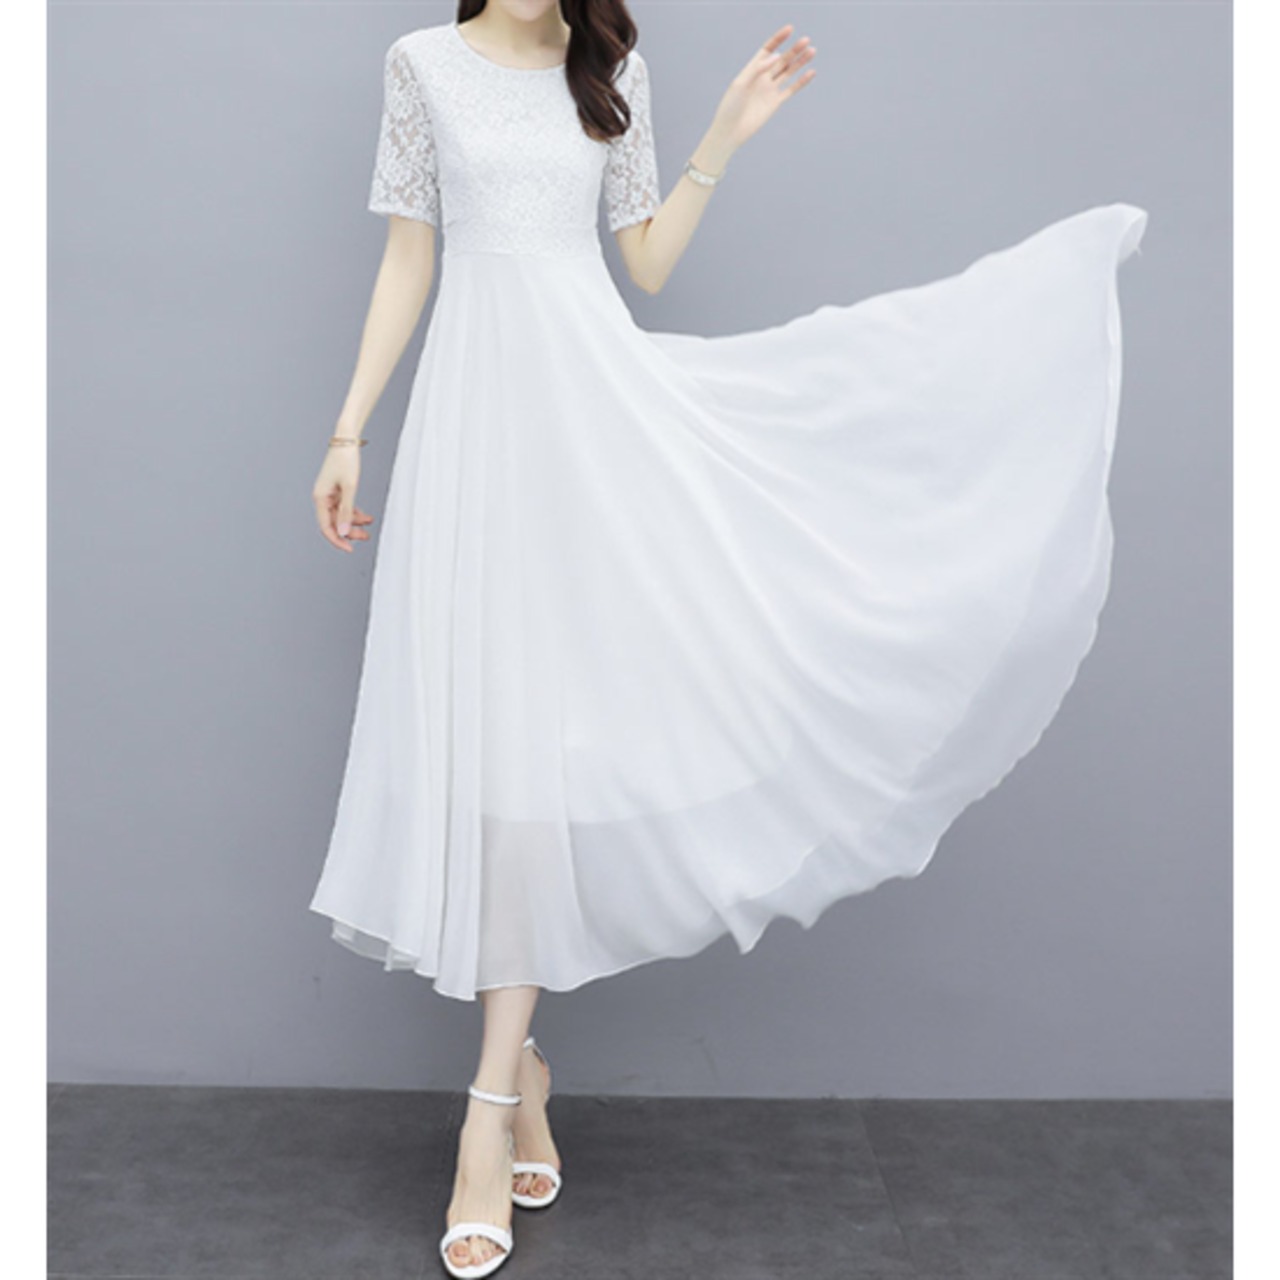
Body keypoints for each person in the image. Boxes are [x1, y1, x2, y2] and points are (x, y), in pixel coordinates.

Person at [307, 1, 1147, 1274]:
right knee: (487, 757)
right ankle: (521, 1068)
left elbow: (640, 263)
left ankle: (487, 1108)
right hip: (472, 432)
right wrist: (348, 430)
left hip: (593, 427)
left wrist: (722, 136)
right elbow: (408, 258)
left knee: (545, 752)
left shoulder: (610, 68)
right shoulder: (419, 65)